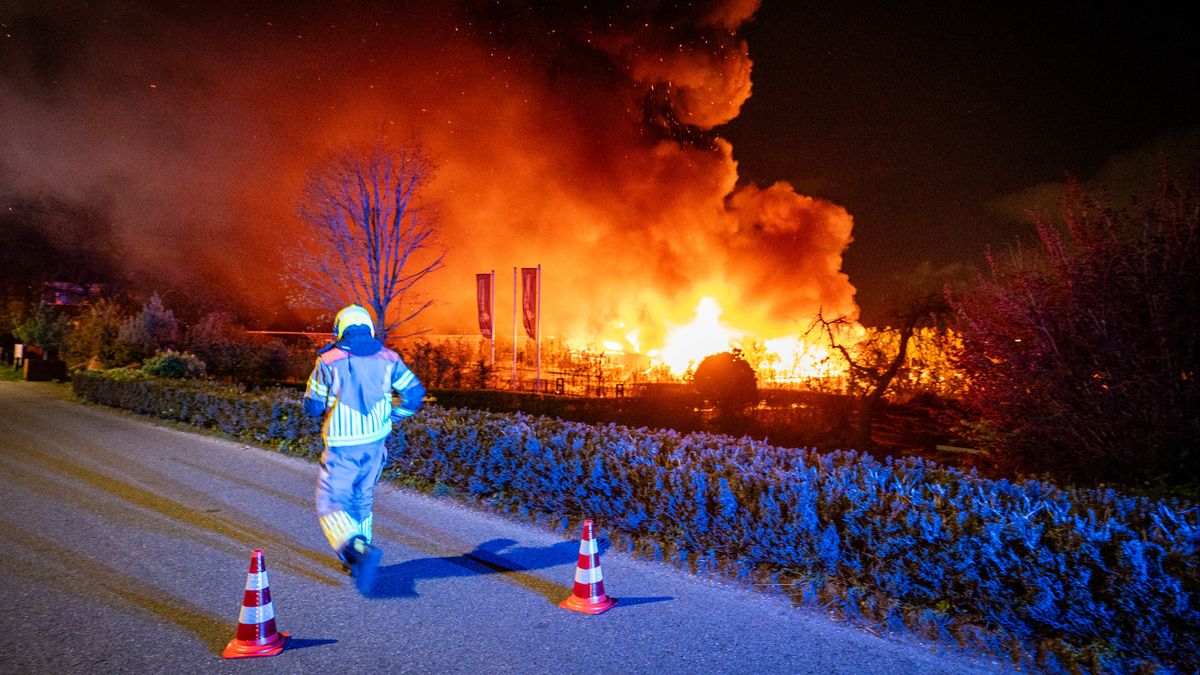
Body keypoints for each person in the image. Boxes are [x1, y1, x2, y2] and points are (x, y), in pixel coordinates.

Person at [302, 304, 425, 593]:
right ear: (369, 329)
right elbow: (415, 394)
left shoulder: (328, 361)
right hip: (376, 444)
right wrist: (396, 414)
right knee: (362, 497)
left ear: (340, 330)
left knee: (331, 502)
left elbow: (314, 405)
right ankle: (357, 558)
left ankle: (356, 548)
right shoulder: (390, 358)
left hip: (343, 446)